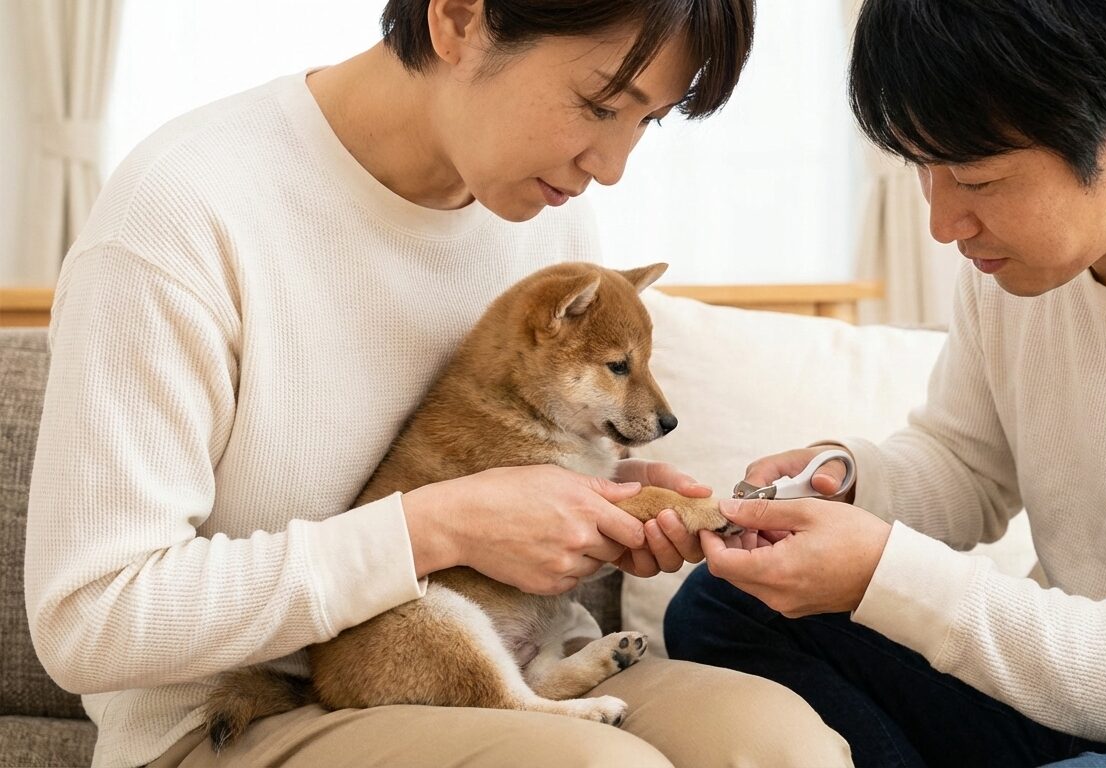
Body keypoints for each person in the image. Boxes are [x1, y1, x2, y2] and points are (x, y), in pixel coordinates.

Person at [23, 1, 854, 766]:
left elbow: (503, 460)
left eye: (647, 120)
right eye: (602, 104)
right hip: (234, 714)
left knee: (785, 748)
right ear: (458, 18)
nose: (612, 167)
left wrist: (588, 507)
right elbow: (89, 620)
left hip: (522, 653)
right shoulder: (182, 214)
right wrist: (432, 530)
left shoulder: (544, 208)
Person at [664, 1, 1106, 767]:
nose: (944, 223)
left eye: (977, 178)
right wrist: (845, 483)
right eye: (921, 167)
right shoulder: (1020, 257)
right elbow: (965, 466)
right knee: (729, 605)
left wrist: (886, 574)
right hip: (1075, 701)